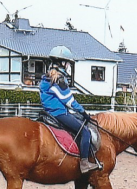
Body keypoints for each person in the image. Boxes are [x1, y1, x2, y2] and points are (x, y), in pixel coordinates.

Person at [40, 46, 101, 174]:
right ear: (62, 63)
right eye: (67, 63)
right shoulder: (58, 80)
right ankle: (84, 163)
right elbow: (69, 101)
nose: (67, 66)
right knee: (84, 132)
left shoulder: (46, 78)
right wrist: (83, 113)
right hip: (59, 113)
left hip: (49, 111)